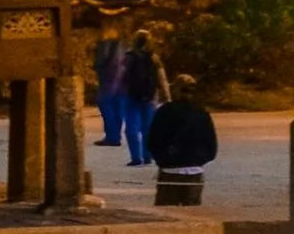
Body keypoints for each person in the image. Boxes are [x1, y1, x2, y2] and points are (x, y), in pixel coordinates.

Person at [143, 89, 219, 208]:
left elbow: (153, 139)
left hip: (169, 168)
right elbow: (211, 144)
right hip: (195, 167)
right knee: (192, 212)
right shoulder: (201, 113)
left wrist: (161, 157)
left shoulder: (164, 112)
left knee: (166, 211)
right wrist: (201, 158)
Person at [122, 29, 163, 164]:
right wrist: (166, 96)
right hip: (150, 96)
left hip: (132, 96)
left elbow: (122, 75)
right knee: (148, 126)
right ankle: (148, 155)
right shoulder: (154, 57)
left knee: (132, 128)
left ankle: (136, 157)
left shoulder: (129, 56)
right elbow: (161, 78)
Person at [94, 32, 130, 154]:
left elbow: (103, 57)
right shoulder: (123, 41)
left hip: (110, 75)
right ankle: (115, 135)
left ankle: (112, 136)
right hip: (121, 78)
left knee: (105, 102)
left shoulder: (108, 39)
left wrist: (97, 66)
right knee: (117, 106)